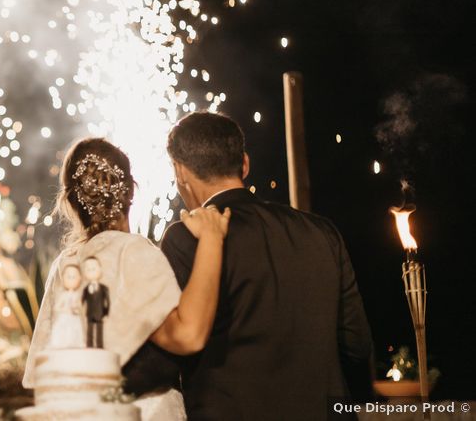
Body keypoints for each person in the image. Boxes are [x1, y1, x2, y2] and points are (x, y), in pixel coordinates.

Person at [125, 112, 373, 421]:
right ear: (244, 164)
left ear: (180, 172)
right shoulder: (322, 232)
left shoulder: (186, 237)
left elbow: (169, 355)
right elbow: (356, 345)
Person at [23, 137, 230, 420]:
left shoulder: (64, 267)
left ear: (70, 201)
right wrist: (211, 239)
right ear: (131, 192)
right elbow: (188, 335)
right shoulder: (131, 253)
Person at [46, 264, 86, 349]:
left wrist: (76, 309)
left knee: (75, 331)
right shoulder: (64, 295)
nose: (71, 278)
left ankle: (75, 344)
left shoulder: (77, 295)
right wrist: (65, 309)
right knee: (63, 330)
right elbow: (57, 307)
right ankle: (62, 344)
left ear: (80, 278)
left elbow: (80, 308)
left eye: (74, 276)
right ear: (63, 278)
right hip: (65, 317)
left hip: (74, 318)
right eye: (68, 276)